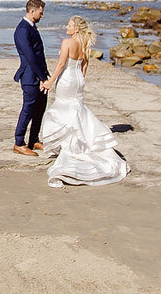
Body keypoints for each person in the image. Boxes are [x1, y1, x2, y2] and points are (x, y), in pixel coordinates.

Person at [40, 15, 129, 187]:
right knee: (77, 110)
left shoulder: (67, 42)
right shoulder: (85, 44)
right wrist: (80, 79)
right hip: (78, 80)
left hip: (66, 79)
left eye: (70, 25)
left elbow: (60, 65)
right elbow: (85, 65)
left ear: (77, 29)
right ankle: (79, 143)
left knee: (61, 110)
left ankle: (72, 148)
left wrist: (50, 82)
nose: (67, 27)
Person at [13, 0, 50, 156]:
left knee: (40, 109)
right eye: (40, 13)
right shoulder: (22, 29)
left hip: (40, 75)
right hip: (30, 77)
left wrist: (45, 74)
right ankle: (19, 142)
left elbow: (39, 54)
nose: (42, 16)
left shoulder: (32, 27)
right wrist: (42, 78)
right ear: (32, 11)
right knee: (28, 109)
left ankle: (34, 140)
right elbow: (30, 57)